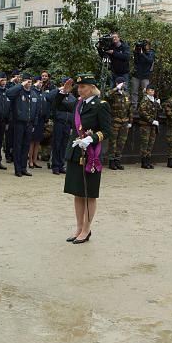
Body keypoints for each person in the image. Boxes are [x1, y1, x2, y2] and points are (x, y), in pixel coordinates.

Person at [54, 74, 111, 244]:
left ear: (92, 88)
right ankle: (79, 227)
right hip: (75, 153)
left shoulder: (101, 105)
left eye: (83, 87)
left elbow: (107, 131)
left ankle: (87, 229)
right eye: (78, 87)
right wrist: (63, 92)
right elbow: (56, 105)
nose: (80, 90)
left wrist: (90, 139)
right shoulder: (78, 104)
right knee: (77, 193)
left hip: (91, 155)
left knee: (89, 194)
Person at [6, 73, 37, 177]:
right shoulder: (18, 92)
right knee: (17, 146)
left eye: (30, 81)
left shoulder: (33, 94)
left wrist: (34, 124)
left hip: (29, 124)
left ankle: (24, 168)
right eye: (27, 81)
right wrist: (20, 85)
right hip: (19, 123)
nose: (29, 83)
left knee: (26, 146)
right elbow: (8, 93)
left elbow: (36, 110)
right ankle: (17, 169)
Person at [47, 77, 76, 175]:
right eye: (66, 84)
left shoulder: (72, 97)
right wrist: (60, 90)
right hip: (59, 122)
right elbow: (48, 97)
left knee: (64, 145)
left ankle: (61, 165)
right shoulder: (57, 95)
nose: (69, 87)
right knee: (57, 144)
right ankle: (55, 166)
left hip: (68, 124)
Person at [104, 76, 132, 170]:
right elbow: (106, 96)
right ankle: (111, 161)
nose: (123, 84)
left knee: (121, 142)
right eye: (121, 83)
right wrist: (116, 88)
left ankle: (117, 161)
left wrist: (130, 121)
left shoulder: (126, 95)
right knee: (113, 142)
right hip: (115, 122)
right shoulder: (113, 94)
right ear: (117, 83)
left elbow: (130, 109)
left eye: (124, 83)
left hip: (124, 122)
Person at [138, 85, 160, 169]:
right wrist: (151, 120)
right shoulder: (145, 100)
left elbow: (159, 111)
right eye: (151, 90)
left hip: (153, 126)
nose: (152, 92)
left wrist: (158, 104)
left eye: (153, 90)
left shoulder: (154, 100)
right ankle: (144, 162)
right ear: (147, 91)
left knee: (151, 143)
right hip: (145, 125)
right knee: (145, 143)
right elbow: (142, 112)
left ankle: (148, 160)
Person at [29, 76, 48, 169]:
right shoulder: (32, 92)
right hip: (34, 120)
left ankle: (35, 160)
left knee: (37, 141)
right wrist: (33, 85)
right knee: (32, 141)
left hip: (41, 120)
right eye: (38, 82)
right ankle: (30, 161)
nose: (40, 84)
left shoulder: (43, 93)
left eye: (41, 82)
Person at [131, 40, 155, 110]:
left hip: (145, 76)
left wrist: (142, 54)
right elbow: (136, 61)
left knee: (146, 93)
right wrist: (135, 52)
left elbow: (150, 61)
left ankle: (145, 108)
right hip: (136, 75)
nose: (145, 46)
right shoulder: (139, 51)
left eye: (146, 45)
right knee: (134, 92)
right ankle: (134, 109)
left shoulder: (151, 52)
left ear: (149, 45)